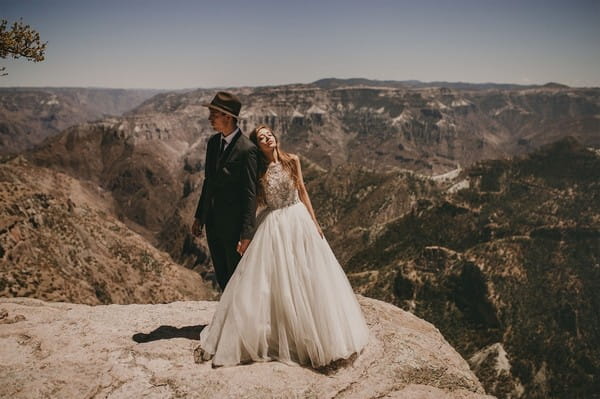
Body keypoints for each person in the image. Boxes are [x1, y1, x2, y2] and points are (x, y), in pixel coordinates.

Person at [194, 125, 369, 368]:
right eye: (262, 138)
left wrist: (315, 222)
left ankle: (315, 329)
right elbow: (252, 201)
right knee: (276, 280)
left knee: (308, 275)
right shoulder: (258, 169)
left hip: (299, 220)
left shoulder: (292, 160)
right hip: (274, 223)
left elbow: (303, 191)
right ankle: (282, 331)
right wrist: (246, 232)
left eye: (269, 134)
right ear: (258, 145)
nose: (268, 138)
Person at [192, 92, 258, 291]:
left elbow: (249, 193)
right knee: (222, 276)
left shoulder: (247, 149)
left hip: (234, 227)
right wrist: (199, 217)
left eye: (214, 114)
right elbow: (208, 182)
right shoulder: (213, 144)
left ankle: (240, 321)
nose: (210, 118)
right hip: (213, 223)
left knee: (237, 277)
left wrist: (246, 233)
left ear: (228, 117)